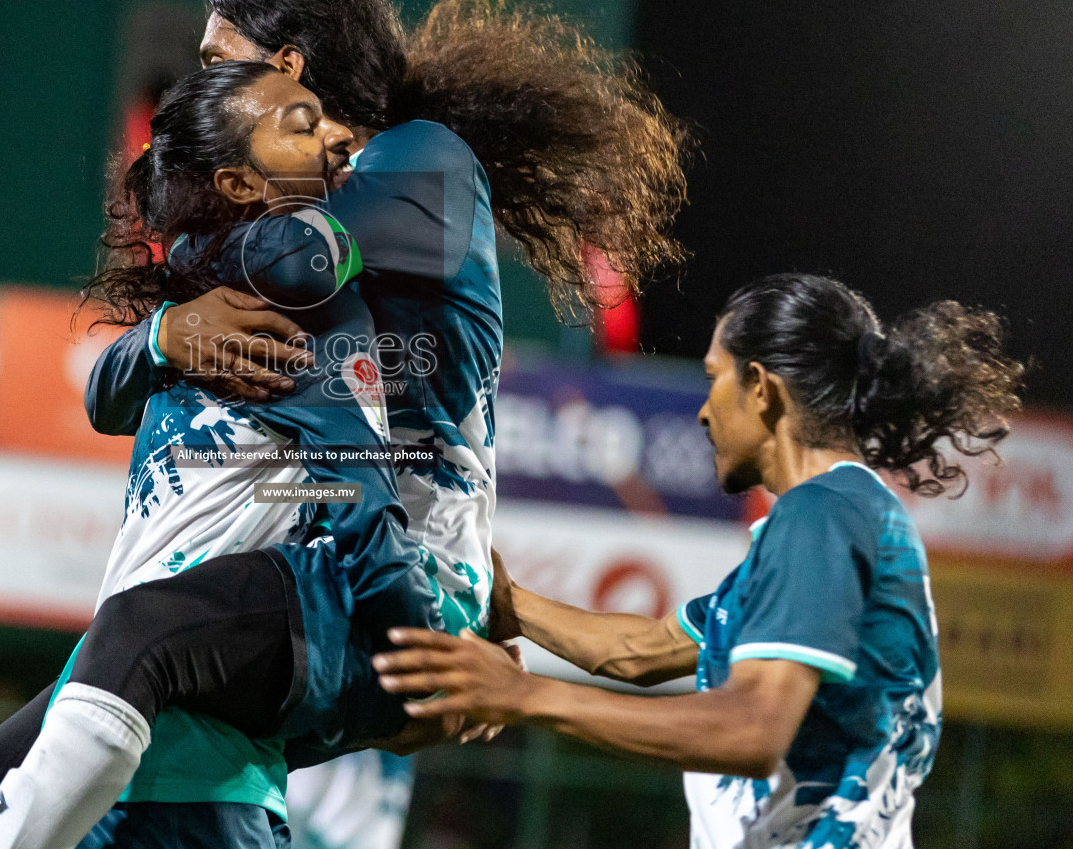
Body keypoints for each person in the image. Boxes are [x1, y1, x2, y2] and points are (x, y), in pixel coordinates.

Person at [0, 0, 689, 849]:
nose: (197, 84)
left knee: (142, 640)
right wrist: (167, 334)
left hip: (392, 573)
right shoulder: (311, 194)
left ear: (287, 66)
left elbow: (286, 246)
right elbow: (117, 379)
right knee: (4, 764)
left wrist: (190, 244)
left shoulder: (418, 158)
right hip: (331, 549)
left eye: (215, 59)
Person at [372, 273, 1025, 849]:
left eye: (715, 378)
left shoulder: (823, 517)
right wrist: (510, 607)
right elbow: (644, 650)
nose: (704, 410)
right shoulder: (838, 517)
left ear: (761, 387)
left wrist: (525, 696)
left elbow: (751, 728)